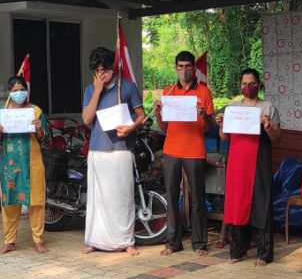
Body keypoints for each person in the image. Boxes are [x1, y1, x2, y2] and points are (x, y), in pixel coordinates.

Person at [81, 46, 147, 255]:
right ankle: (94, 240)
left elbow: (141, 115)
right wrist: (98, 90)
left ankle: (126, 241)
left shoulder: (127, 87)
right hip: (97, 149)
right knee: (97, 198)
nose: (102, 74)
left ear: (113, 68)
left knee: (122, 196)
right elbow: (87, 119)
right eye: (97, 71)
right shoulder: (90, 90)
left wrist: (131, 127)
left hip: (121, 149)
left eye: (105, 70)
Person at [215, 69, 281, 266]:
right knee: (236, 204)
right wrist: (221, 125)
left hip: (259, 160)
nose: (248, 87)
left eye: (252, 83)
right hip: (237, 162)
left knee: (261, 203)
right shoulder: (233, 108)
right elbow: (224, 138)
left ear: (258, 84)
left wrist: (268, 127)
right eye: (244, 83)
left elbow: (277, 138)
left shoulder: (267, 107)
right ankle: (238, 251)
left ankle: (263, 254)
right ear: (240, 85)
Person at [154, 51, 215, 256]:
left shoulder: (204, 92)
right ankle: (173, 243)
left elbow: (209, 127)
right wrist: (157, 113)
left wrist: (204, 116)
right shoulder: (168, 91)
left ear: (193, 68)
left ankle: (199, 243)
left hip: (195, 150)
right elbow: (163, 126)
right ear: (175, 68)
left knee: (198, 198)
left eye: (188, 66)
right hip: (171, 150)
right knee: (172, 196)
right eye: (180, 66)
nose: (184, 70)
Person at [0, 75, 50, 254]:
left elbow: (45, 137)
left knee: (36, 201)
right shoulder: (2, 113)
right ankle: (9, 241)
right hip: (9, 164)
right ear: (9, 92)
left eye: (22, 89)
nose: (19, 93)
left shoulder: (35, 111)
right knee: (9, 202)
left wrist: (39, 128)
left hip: (32, 162)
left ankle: (38, 240)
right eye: (15, 90)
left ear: (27, 90)